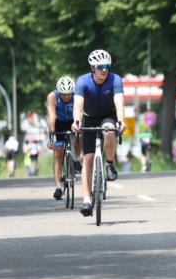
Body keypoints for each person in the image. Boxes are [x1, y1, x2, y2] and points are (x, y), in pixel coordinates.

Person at [72, 49, 125, 217]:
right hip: (89, 117)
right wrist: (76, 122)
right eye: (100, 66)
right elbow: (78, 105)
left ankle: (109, 164)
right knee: (87, 159)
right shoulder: (82, 81)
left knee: (109, 130)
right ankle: (87, 200)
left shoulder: (115, 80)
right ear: (92, 68)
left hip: (108, 115)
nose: (104, 70)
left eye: (107, 66)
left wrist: (121, 120)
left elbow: (119, 102)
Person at [47, 76, 81, 200]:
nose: (66, 96)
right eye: (63, 94)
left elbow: (81, 112)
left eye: (68, 94)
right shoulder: (52, 96)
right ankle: (58, 186)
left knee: (79, 136)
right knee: (58, 154)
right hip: (59, 123)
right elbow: (51, 116)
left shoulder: (77, 95)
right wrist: (52, 132)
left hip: (73, 120)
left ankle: (76, 159)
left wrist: (78, 125)